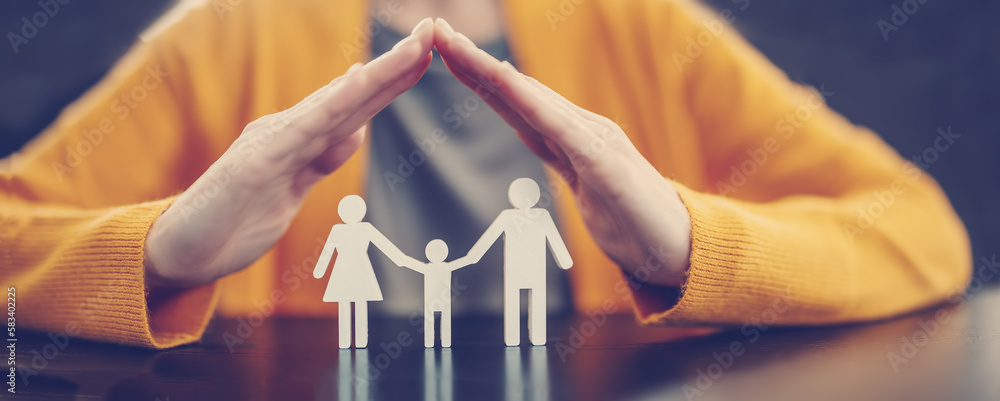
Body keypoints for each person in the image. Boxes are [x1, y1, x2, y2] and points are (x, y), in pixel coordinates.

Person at [2, 0, 971, 349]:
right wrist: (161, 252)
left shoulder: (644, 26)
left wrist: (686, 239)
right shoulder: (226, 31)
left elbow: (918, 228)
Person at [466, 178, 573, 346]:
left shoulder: (532, 216)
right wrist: (564, 260)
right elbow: (489, 238)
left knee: (524, 300)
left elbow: (554, 239)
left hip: (528, 268)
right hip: (520, 269)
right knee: (521, 300)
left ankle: (521, 338)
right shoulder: (513, 216)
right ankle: (518, 338)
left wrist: (473, 256)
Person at [313, 195, 410, 349]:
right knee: (346, 302)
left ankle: (360, 341)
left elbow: (383, 245)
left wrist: (400, 258)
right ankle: (345, 341)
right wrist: (319, 269)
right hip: (344, 270)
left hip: (357, 269)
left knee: (359, 302)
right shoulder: (338, 229)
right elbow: (327, 251)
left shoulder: (365, 228)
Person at [398, 239, 473, 348]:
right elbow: (469, 259)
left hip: (440, 299)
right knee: (435, 320)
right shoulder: (438, 267)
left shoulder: (434, 267)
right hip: (433, 299)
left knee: (441, 320)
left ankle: (439, 342)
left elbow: (404, 261)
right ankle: (435, 342)